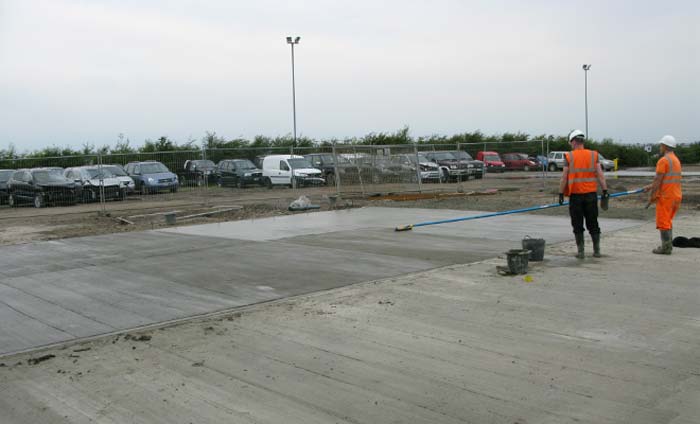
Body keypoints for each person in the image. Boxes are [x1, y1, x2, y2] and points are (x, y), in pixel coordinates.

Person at [558, 130, 609, 258]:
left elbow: (564, 177)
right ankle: (596, 251)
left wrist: (560, 193)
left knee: (577, 224)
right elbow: (600, 174)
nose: (570, 145)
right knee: (593, 223)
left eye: (570, 142)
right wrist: (605, 191)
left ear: (574, 141)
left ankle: (581, 252)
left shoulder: (569, 156)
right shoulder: (593, 155)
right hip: (591, 195)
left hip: (575, 196)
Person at [644, 135, 682, 254]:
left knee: (663, 222)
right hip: (675, 196)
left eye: (661, 145)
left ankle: (666, 248)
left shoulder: (663, 160)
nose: (660, 147)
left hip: (666, 197)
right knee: (668, 221)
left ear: (665, 146)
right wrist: (649, 187)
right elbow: (667, 179)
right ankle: (668, 245)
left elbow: (658, 180)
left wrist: (652, 196)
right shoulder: (675, 160)